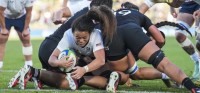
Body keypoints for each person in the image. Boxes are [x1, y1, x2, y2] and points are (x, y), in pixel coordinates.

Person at [8, 4, 126, 92]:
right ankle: (36, 73)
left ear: (90, 33)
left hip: (90, 60)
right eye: (77, 37)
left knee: (104, 78)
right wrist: (59, 62)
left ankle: (35, 74)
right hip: (66, 55)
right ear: (72, 32)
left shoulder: (96, 35)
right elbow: (51, 58)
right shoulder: (68, 35)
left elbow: (100, 60)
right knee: (69, 81)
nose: (80, 40)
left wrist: (83, 69)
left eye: (84, 38)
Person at [105, 1, 200, 92]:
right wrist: (154, 53)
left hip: (111, 37)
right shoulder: (139, 15)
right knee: (139, 72)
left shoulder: (110, 14)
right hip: (132, 33)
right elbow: (160, 39)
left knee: (120, 72)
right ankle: (193, 88)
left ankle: (114, 74)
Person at [0, 0, 35, 69]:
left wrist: (25, 29)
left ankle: (29, 65)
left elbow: (29, 12)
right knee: (2, 39)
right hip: (6, 17)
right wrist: (3, 28)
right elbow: (0, 11)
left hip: (21, 17)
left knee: (26, 38)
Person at [170, 1, 200, 80]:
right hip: (187, 3)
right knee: (179, 35)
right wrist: (172, 6)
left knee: (199, 41)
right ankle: (197, 61)